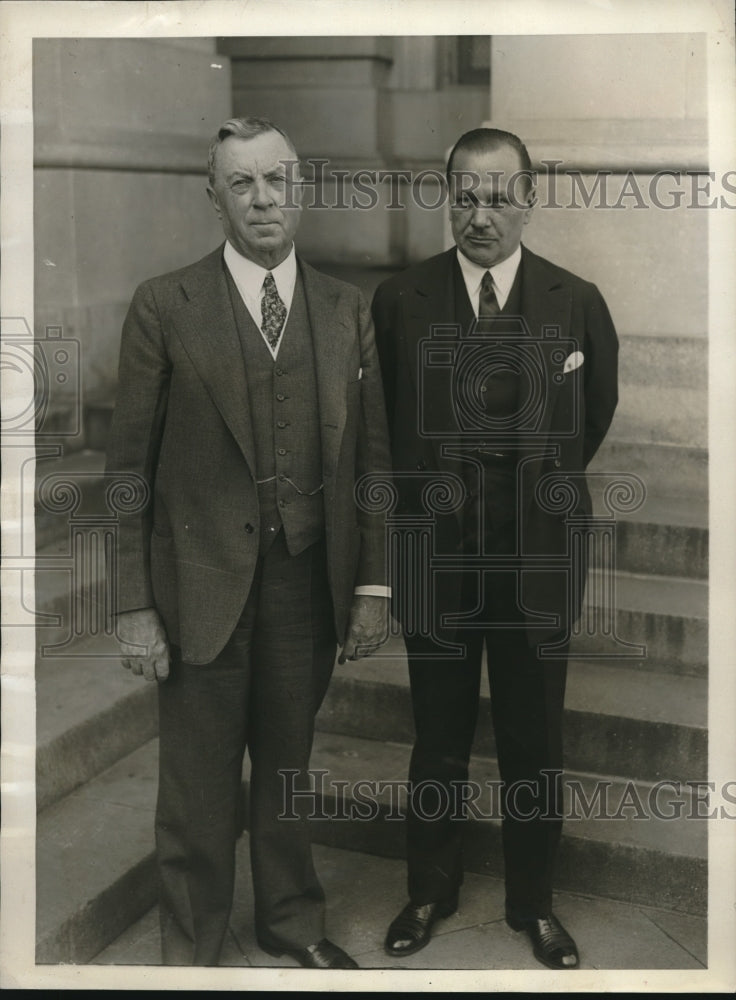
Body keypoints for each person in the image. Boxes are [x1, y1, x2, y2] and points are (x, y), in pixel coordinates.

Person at [105, 116, 391, 969]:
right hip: (200, 584)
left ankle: (291, 923)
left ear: (300, 187)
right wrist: (133, 605)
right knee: (196, 784)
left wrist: (373, 586)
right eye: (242, 183)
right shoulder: (165, 304)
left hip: (307, 584)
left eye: (276, 180)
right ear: (214, 197)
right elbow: (128, 471)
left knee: (289, 769)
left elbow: (372, 462)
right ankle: (190, 948)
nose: (262, 199)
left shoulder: (347, 310)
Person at [371, 127, 618, 970]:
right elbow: (389, 431)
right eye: (466, 197)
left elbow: (592, 416)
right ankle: (429, 891)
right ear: (450, 199)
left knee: (533, 739)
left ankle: (533, 904)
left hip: (536, 566)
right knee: (437, 737)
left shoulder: (574, 300)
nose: (482, 215)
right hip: (435, 563)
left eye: (500, 196)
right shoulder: (399, 301)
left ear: (529, 198)